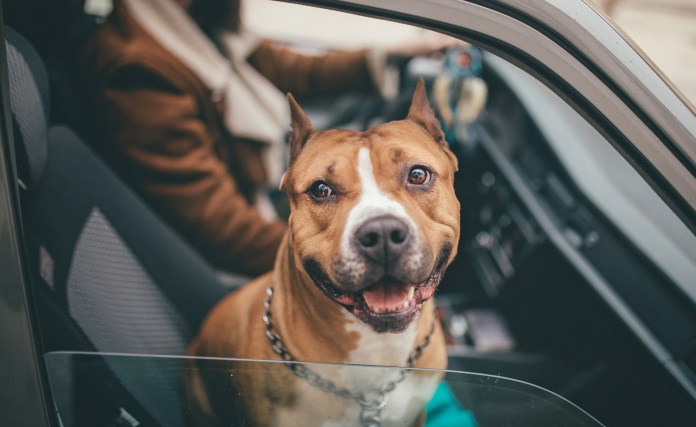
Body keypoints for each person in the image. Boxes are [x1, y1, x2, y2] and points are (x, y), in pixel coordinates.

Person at [80, 0, 459, 278]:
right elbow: (217, 225)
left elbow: (289, 70)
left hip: (259, 196)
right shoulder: (139, 68)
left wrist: (391, 55)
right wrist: (334, 254)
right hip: (231, 249)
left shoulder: (199, 18)